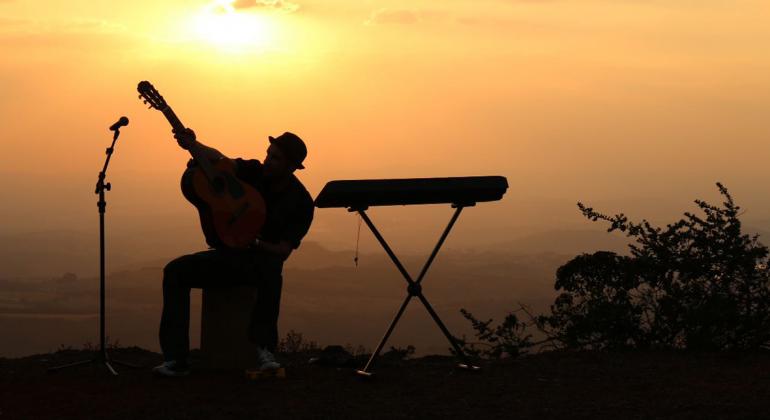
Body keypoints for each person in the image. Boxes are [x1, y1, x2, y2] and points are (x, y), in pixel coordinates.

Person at [153, 128, 314, 377]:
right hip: (227, 257)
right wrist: (193, 144)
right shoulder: (255, 171)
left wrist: (255, 243)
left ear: (292, 166)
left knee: (272, 271)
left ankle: (264, 351)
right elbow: (220, 160)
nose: (267, 161)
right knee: (175, 272)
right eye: (268, 154)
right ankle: (176, 359)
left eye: (275, 158)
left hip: (260, 264)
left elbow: (283, 250)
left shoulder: (301, 202)